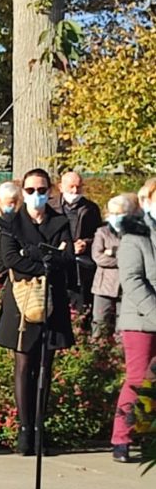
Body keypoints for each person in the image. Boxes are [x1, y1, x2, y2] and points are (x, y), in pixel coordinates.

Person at [0, 168, 76, 456]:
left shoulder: (61, 221)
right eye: (30, 190)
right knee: (23, 364)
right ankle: (25, 430)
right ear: (22, 191)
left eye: (41, 190)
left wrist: (34, 254)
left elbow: (67, 258)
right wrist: (44, 258)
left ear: (50, 191)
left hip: (52, 299)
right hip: (22, 302)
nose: (36, 195)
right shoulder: (11, 223)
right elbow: (11, 259)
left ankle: (41, 428)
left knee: (45, 366)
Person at [110, 192, 156, 464]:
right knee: (138, 380)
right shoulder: (135, 236)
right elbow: (132, 280)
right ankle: (121, 438)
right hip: (140, 320)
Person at [60, 170, 103, 326]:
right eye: (71, 187)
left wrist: (86, 243)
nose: (75, 191)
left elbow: (99, 234)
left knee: (81, 306)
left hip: (82, 265)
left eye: (78, 187)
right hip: (60, 262)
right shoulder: (53, 208)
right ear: (61, 187)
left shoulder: (91, 208)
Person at [90, 195, 129, 342]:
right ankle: (96, 352)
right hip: (104, 284)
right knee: (99, 320)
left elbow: (135, 255)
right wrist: (122, 257)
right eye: (113, 213)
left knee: (122, 324)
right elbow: (98, 257)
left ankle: (119, 356)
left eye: (120, 213)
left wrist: (112, 252)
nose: (116, 217)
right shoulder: (102, 232)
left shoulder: (132, 232)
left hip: (125, 285)